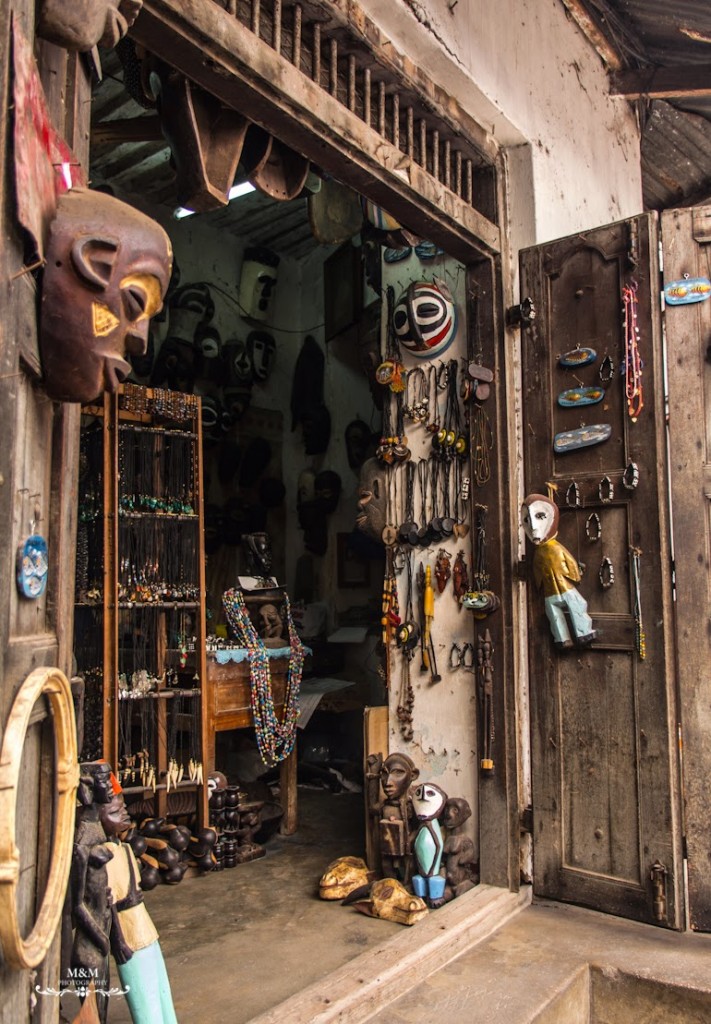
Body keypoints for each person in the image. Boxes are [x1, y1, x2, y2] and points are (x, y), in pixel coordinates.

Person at [98, 782, 178, 1024]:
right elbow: (108, 904)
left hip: (146, 927)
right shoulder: (102, 856)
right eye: (114, 812)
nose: (123, 814)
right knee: (146, 999)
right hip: (129, 935)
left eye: (123, 809)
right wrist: (118, 940)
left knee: (162, 991)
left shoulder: (123, 849)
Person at [521, 492, 596, 650]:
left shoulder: (556, 547)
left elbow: (570, 562)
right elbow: (537, 570)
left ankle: (583, 632)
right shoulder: (539, 552)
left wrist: (575, 574)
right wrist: (538, 583)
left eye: (540, 516)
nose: (533, 526)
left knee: (576, 606)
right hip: (551, 591)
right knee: (554, 615)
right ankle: (562, 638)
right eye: (527, 520)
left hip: (562, 588)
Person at [367, 751, 419, 883]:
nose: (388, 782)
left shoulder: (412, 805)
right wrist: (374, 774)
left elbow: (420, 827)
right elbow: (373, 807)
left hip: (407, 852)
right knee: (386, 867)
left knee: (408, 868)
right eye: (384, 774)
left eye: (398, 773)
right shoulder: (385, 806)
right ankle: (391, 888)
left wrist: (408, 841)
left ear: (413, 775)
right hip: (388, 850)